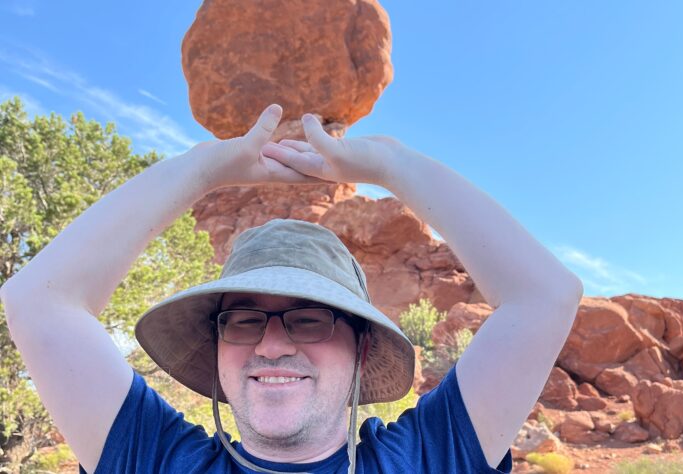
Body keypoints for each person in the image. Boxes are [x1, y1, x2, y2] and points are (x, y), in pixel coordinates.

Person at [1, 104, 583, 473]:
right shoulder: (156, 458)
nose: (272, 344)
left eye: (310, 317)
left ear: (361, 348)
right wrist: (200, 169)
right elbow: (37, 302)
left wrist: (393, 165)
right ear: (218, 346)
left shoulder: (428, 457)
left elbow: (545, 297)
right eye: (243, 319)